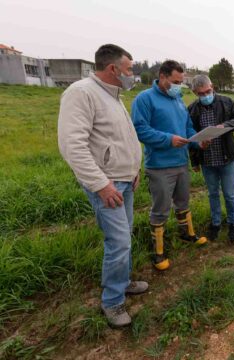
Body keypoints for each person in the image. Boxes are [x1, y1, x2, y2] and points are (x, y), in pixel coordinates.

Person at [58, 44, 148, 328]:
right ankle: (112, 301)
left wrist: (134, 169)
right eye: (130, 69)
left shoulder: (114, 95)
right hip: (107, 185)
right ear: (113, 69)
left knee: (126, 236)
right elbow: (72, 147)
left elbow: (121, 139)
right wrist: (100, 185)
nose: (132, 74)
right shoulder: (81, 93)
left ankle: (123, 282)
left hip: (125, 180)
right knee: (118, 241)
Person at [131, 60, 207, 271]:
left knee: (183, 201)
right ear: (162, 76)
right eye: (175, 81)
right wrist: (168, 139)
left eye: (181, 82)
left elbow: (187, 127)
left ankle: (187, 234)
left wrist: (197, 139)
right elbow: (139, 130)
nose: (178, 85)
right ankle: (158, 251)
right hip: (160, 165)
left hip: (181, 162)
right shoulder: (144, 99)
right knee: (161, 208)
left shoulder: (178, 100)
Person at [188, 75, 234, 244]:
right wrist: (195, 161)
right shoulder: (192, 110)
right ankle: (215, 224)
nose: (206, 95)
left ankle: (233, 222)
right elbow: (191, 136)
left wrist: (225, 126)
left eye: (208, 91)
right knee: (212, 193)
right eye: (201, 93)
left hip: (226, 158)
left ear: (212, 87)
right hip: (207, 161)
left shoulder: (226, 102)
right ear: (195, 92)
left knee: (229, 194)